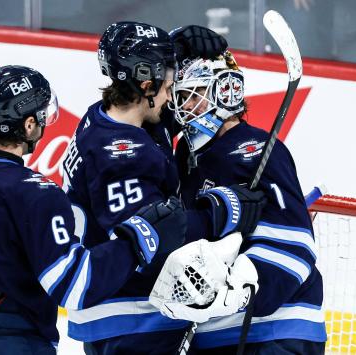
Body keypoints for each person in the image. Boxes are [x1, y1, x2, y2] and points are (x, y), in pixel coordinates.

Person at [0, 65, 188, 355]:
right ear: (30, 125)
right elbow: (75, 285)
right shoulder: (36, 193)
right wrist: (138, 239)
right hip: (17, 342)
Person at [62, 21, 266, 354]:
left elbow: (173, 115)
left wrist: (182, 43)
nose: (174, 97)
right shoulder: (122, 156)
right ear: (146, 85)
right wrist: (223, 210)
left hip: (113, 316)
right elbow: (155, 236)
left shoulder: (103, 118)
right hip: (132, 316)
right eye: (170, 87)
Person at [163, 26, 326, 354]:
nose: (179, 106)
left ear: (224, 93)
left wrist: (247, 282)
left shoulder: (255, 149)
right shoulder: (186, 155)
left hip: (275, 330)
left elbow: (296, 243)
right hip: (216, 332)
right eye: (179, 96)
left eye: (191, 95)